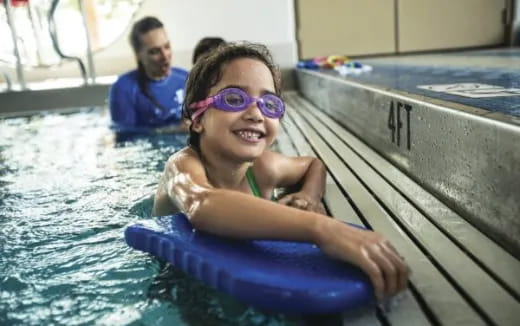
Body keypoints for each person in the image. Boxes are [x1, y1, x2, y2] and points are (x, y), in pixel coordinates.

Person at [152, 42, 409, 301]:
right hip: (175, 285)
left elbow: (313, 165)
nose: (255, 114)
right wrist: (323, 228)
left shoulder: (262, 169)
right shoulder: (182, 166)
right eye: (234, 99)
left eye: (269, 104)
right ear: (197, 119)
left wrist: (309, 196)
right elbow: (202, 205)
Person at [108, 16, 188, 132]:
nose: (165, 56)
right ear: (138, 55)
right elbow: (124, 135)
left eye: (167, 46)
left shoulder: (186, 79)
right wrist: (171, 131)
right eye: (154, 51)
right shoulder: (124, 89)